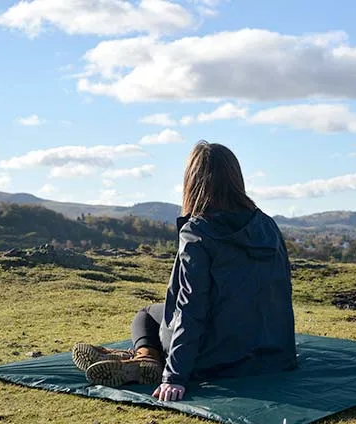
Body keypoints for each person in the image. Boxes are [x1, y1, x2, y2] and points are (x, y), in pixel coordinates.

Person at [72, 140, 297, 401]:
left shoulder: (198, 231)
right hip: (272, 354)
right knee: (161, 315)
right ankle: (142, 357)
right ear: (236, 179)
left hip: (215, 359)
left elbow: (191, 306)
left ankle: (146, 357)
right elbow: (281, 292)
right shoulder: (268, 225)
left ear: (193, 181)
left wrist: (175, 376)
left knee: (146, 315)